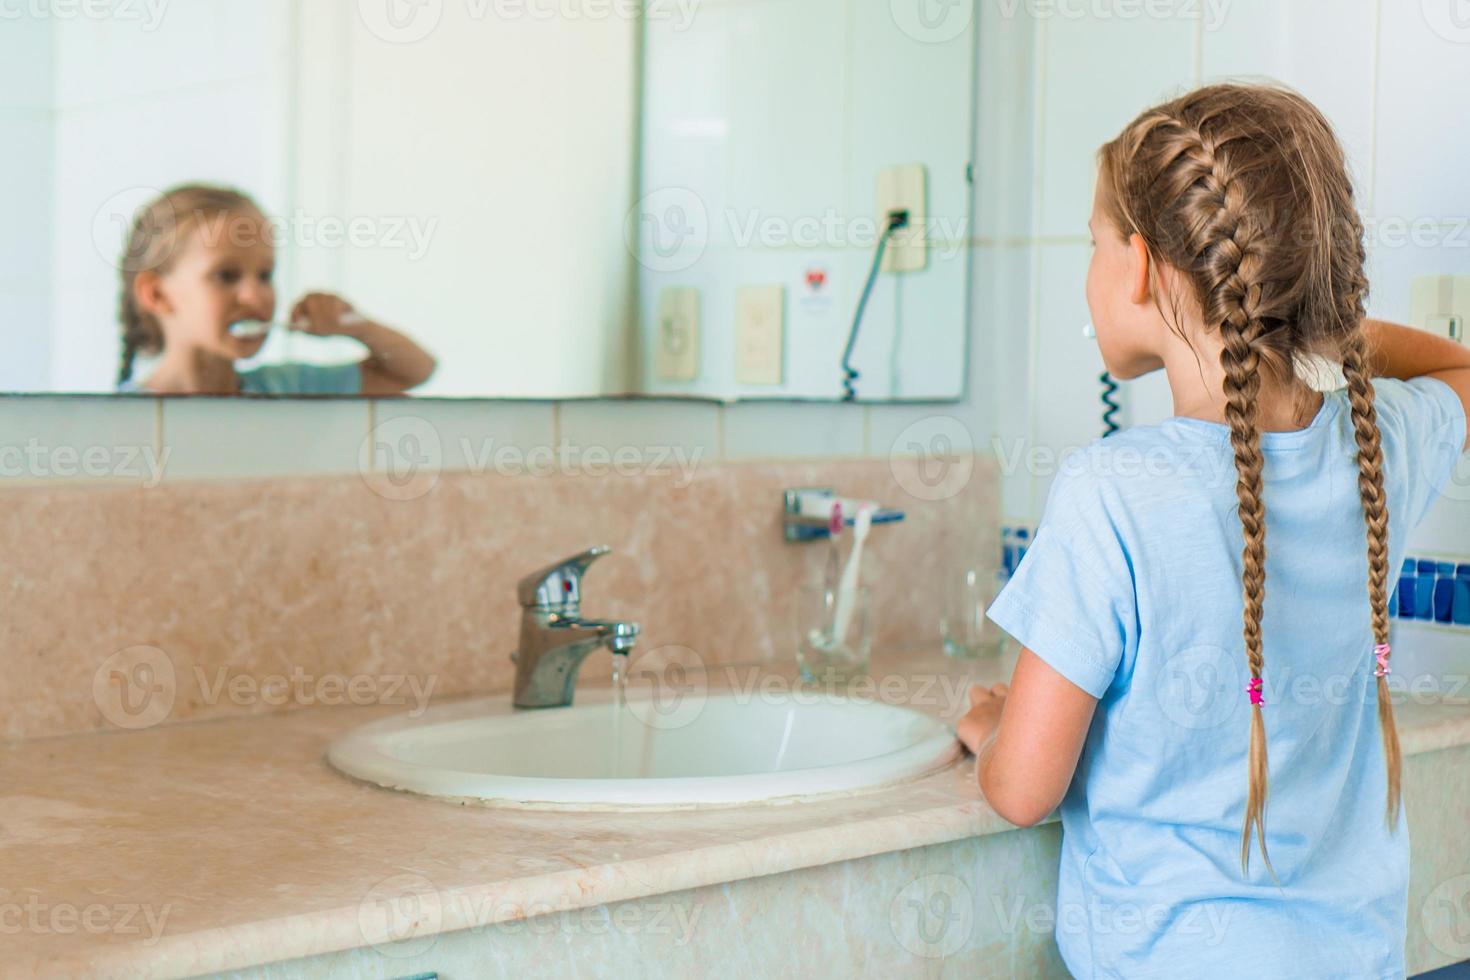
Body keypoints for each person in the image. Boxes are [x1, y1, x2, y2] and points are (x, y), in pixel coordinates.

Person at [955, 83, 1470, 977]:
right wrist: (1320, 320)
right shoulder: (1375, 443)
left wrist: (994, 733)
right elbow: (1462, 367)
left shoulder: (1109, 493)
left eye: (1093, 241)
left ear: (1144, 267)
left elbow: (1023, 791)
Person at [115, 184, 436, 395]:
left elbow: (413, 370)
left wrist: (355, 326)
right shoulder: (117, 421)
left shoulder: (288, 388)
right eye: (226, 276)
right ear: (157, 295)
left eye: (265, 275)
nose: (256, 296)